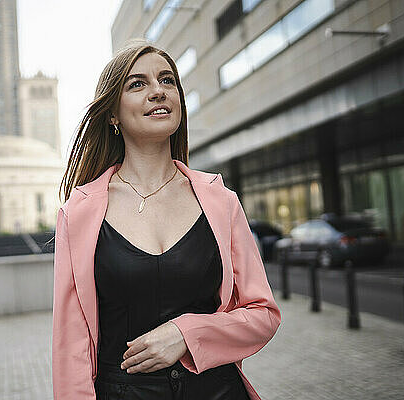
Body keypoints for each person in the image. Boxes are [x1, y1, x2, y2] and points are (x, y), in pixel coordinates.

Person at [51, 40, 281, 400]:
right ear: (112, 114)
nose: (158, 91)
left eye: (167, 80)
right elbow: (71, 347)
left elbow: (263, 314)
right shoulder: (78, 213)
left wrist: (186, 334)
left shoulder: (221, 201)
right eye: (137, 84)